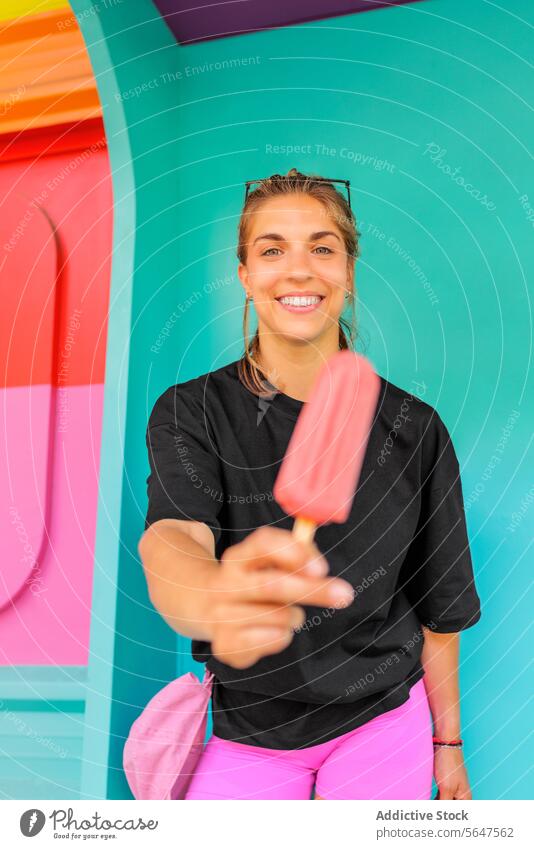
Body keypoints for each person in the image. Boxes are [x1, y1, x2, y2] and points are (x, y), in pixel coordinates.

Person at [138, 169, 482, 800]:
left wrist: (449, 749)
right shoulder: (193, 412)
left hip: (381, 719)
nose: (298, 270)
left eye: (322, 248)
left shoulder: (415, 429)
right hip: (249, 731)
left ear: (348, 274)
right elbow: (174, 535)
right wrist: (211, 592)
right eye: (272, 250)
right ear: (245, 275)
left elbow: (441, 612)